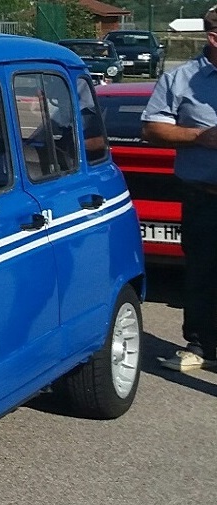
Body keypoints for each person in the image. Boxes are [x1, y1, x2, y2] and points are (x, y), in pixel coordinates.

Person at [142, 6, 217, 372]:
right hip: (205, 197)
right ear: (214, 37)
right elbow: (152, 128)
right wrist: (200, 136)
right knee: (203, 273)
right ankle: (202, 346)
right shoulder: (180, 79)